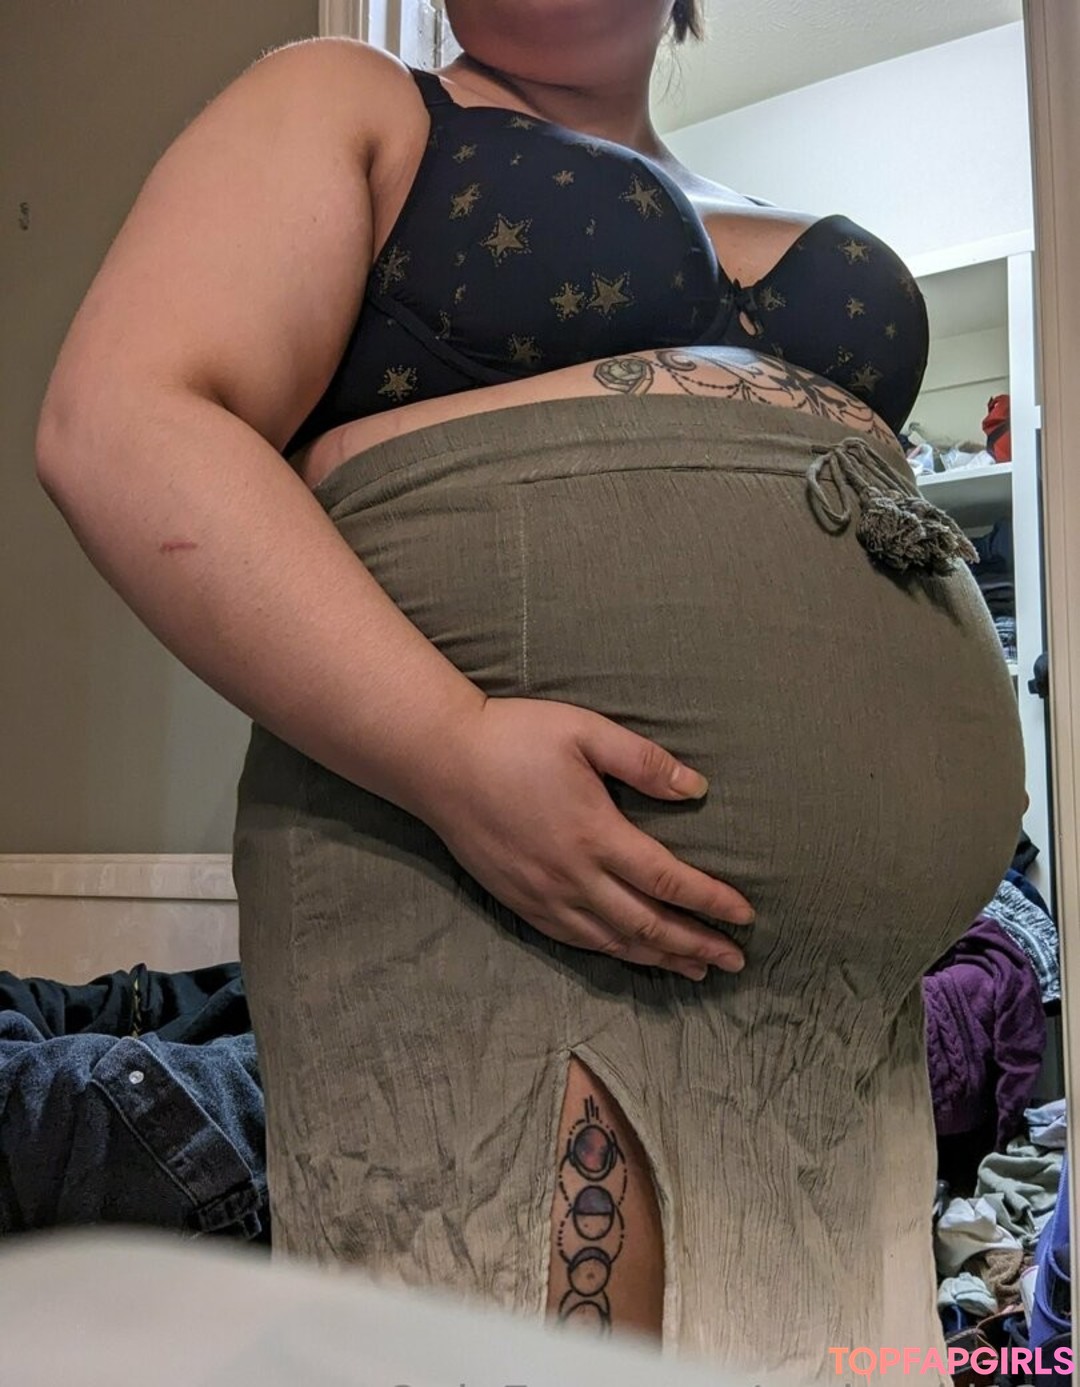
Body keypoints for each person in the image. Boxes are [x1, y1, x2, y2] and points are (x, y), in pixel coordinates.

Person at [34, 2, 1026, 1379]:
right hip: (498, 904)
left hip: (840, 1019)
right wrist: (449, 746)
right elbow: (124, 419)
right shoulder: (356, 104)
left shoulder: (760, 200)